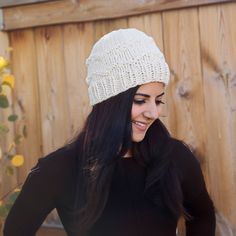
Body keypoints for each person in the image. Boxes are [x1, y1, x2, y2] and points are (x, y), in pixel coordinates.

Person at [3, 28, 216, 236]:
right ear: (109, 102)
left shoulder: (175, 157)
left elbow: (203, 215)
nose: (153, 112)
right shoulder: (60, 169)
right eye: (141, 100)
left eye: (158, 100)